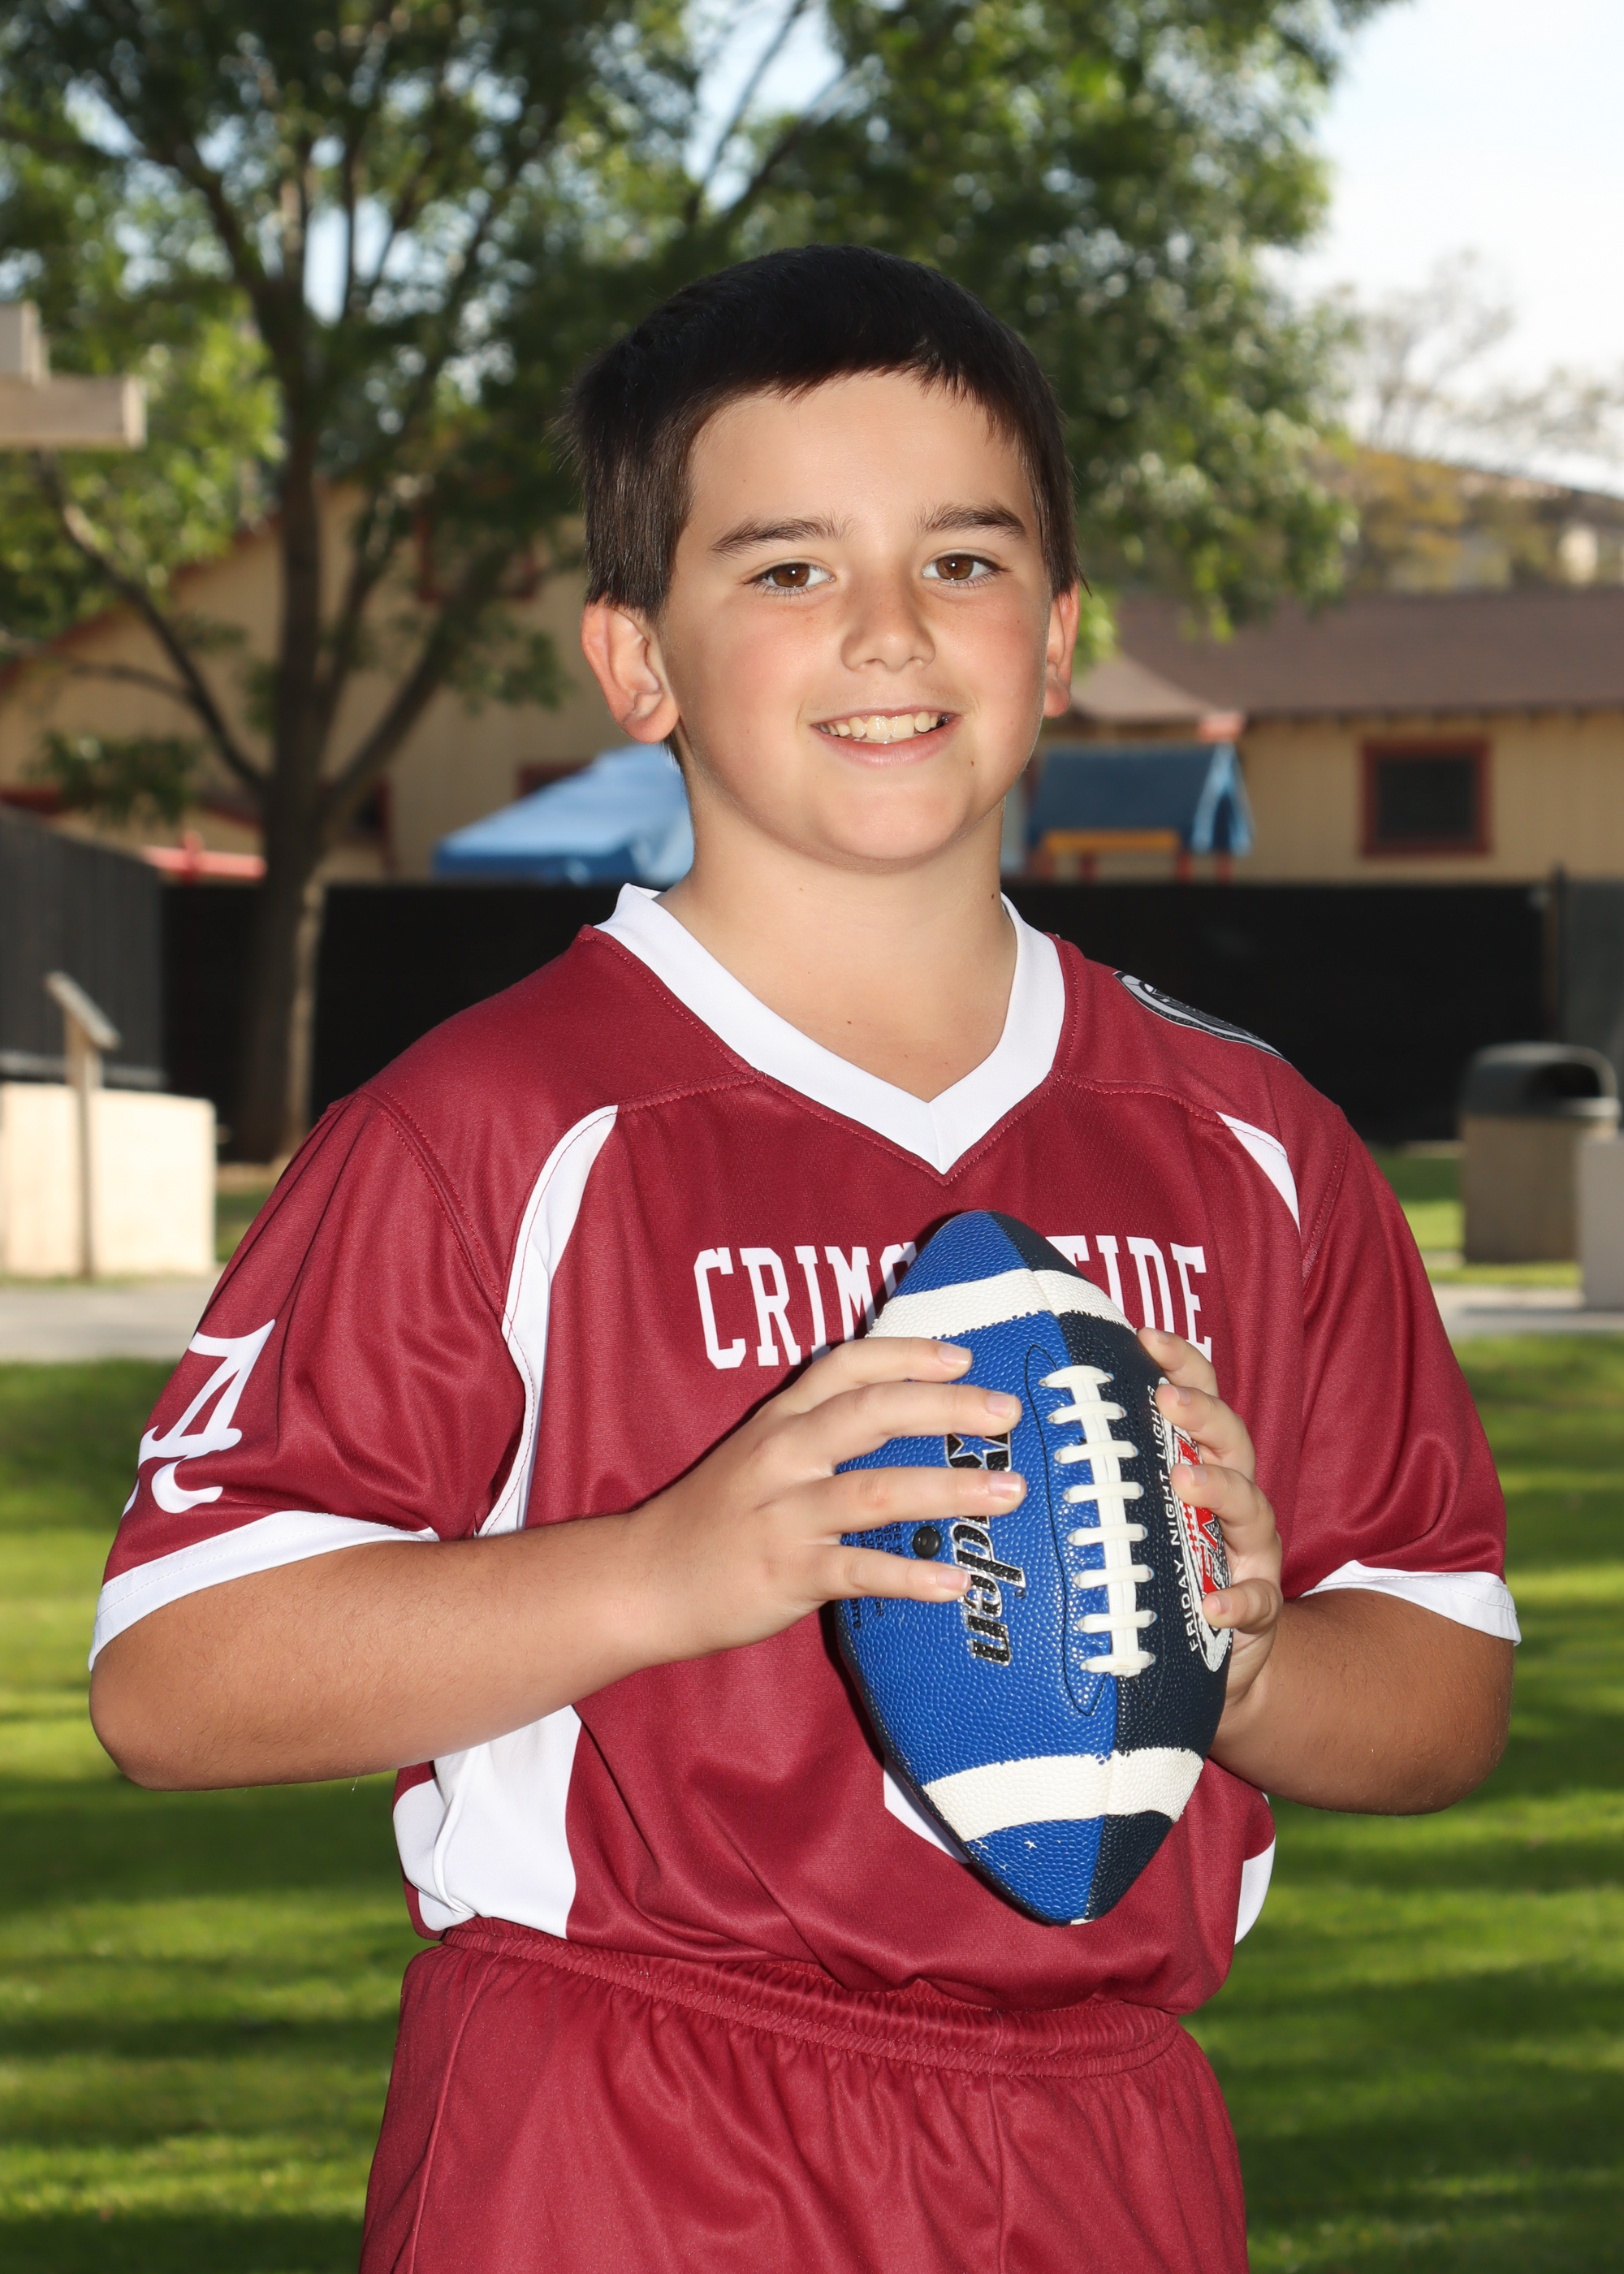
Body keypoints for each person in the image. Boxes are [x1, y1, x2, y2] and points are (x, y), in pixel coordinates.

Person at [89, 247, 1516, 2273]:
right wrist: (671, 1567)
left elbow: (1447, 1684)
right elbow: (173, 1675)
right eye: (785, 567)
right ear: (635, 661)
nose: (886, 627)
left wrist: (1240, 1651)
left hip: (1101, 2142)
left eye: (962, 558)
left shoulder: (1254, 1142)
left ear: (1056, 630)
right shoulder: (492, 1123)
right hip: (623, 2134)